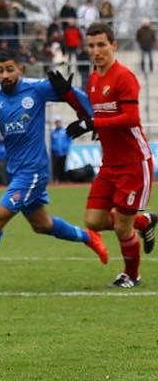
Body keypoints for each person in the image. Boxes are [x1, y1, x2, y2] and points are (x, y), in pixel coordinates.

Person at [0, 50, 108, 291]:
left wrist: (93, 118)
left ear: (21, 69)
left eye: (10, 69)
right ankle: (89, 236)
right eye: (0, 70)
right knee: (42, 225)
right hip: (16, 171)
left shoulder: (36, 89)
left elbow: (73, 94)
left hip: (33, 171)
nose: (5, 75)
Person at [65, 22, 158, 288]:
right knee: (93, 220)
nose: (96, 51)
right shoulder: (94, 78)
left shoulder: (124, 77)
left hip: (133, 163)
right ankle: (145, 221)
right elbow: (97, 115)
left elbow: (130, 118)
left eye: (101, 45)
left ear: (113, 45)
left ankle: (132, 275)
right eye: (91, 46)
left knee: (122, 226)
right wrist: (69, 97)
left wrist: (93, 123)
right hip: (110, 164)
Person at [50, 117, 70, 183]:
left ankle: (63, 179)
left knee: (62, 166)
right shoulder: (53, 132)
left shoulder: (65, 131)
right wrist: (53, 149)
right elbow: (51, 142)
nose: (58, 124)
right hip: (55, 153)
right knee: (56, 167)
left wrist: (66, 148)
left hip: (64, 152)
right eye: (57, 122)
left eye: (59, 122)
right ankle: (56, 179)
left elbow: (69, 140)